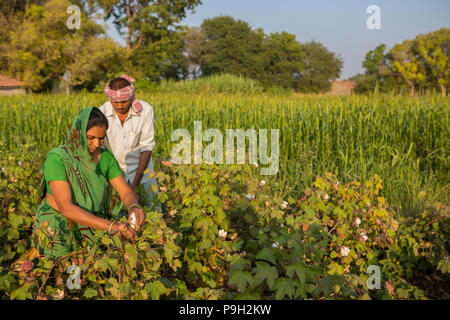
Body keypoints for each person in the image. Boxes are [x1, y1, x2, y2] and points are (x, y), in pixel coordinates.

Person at [32, 107, 145, 259]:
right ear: (77, 133)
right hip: (59, 224)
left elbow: (124, 191)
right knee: (60, 271)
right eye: (91, 137)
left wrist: (133, 206)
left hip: (92, 220)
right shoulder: (57, 159)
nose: (97, 144)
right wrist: (111, 226)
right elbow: (66, 209)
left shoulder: (105, 158)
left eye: (101, 138)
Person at [99, 75, 157, 206]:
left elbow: (147, 147)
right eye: (115, 102)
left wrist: (133, 187)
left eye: (124, 102)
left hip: (143, 174)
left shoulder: (145, 110)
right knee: (119, 216)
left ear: (131, 97)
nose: (119, 106)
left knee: (153, 211)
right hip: (115, 175)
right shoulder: (101, 113)